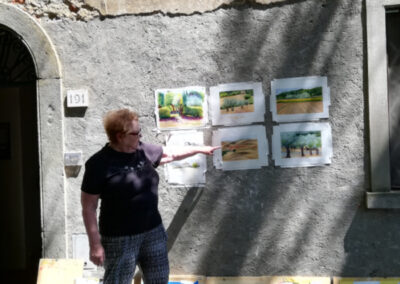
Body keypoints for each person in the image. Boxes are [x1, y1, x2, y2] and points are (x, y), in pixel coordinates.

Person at [81, 109, 219, 284]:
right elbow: (88, 208)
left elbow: (171, 154)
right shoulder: (98, 164)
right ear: (119, 136)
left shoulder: (142, 150)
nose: (140, 135)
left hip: (153, 232)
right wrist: (95, 244)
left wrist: (201, 149)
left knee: (159, 280)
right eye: (136, 133)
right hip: (119, 238)